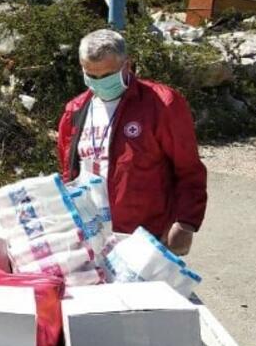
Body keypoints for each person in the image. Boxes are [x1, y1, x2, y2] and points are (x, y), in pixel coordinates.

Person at [57, 29, 207, 255]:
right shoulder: (75, 110)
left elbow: (188, 169)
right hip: (92, 235)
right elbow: (69, 171)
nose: (99, 83)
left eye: (106, 76)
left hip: (146, 238)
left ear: (127, 65)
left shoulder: (161, 104)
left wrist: (186, 223)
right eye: (91, 76)